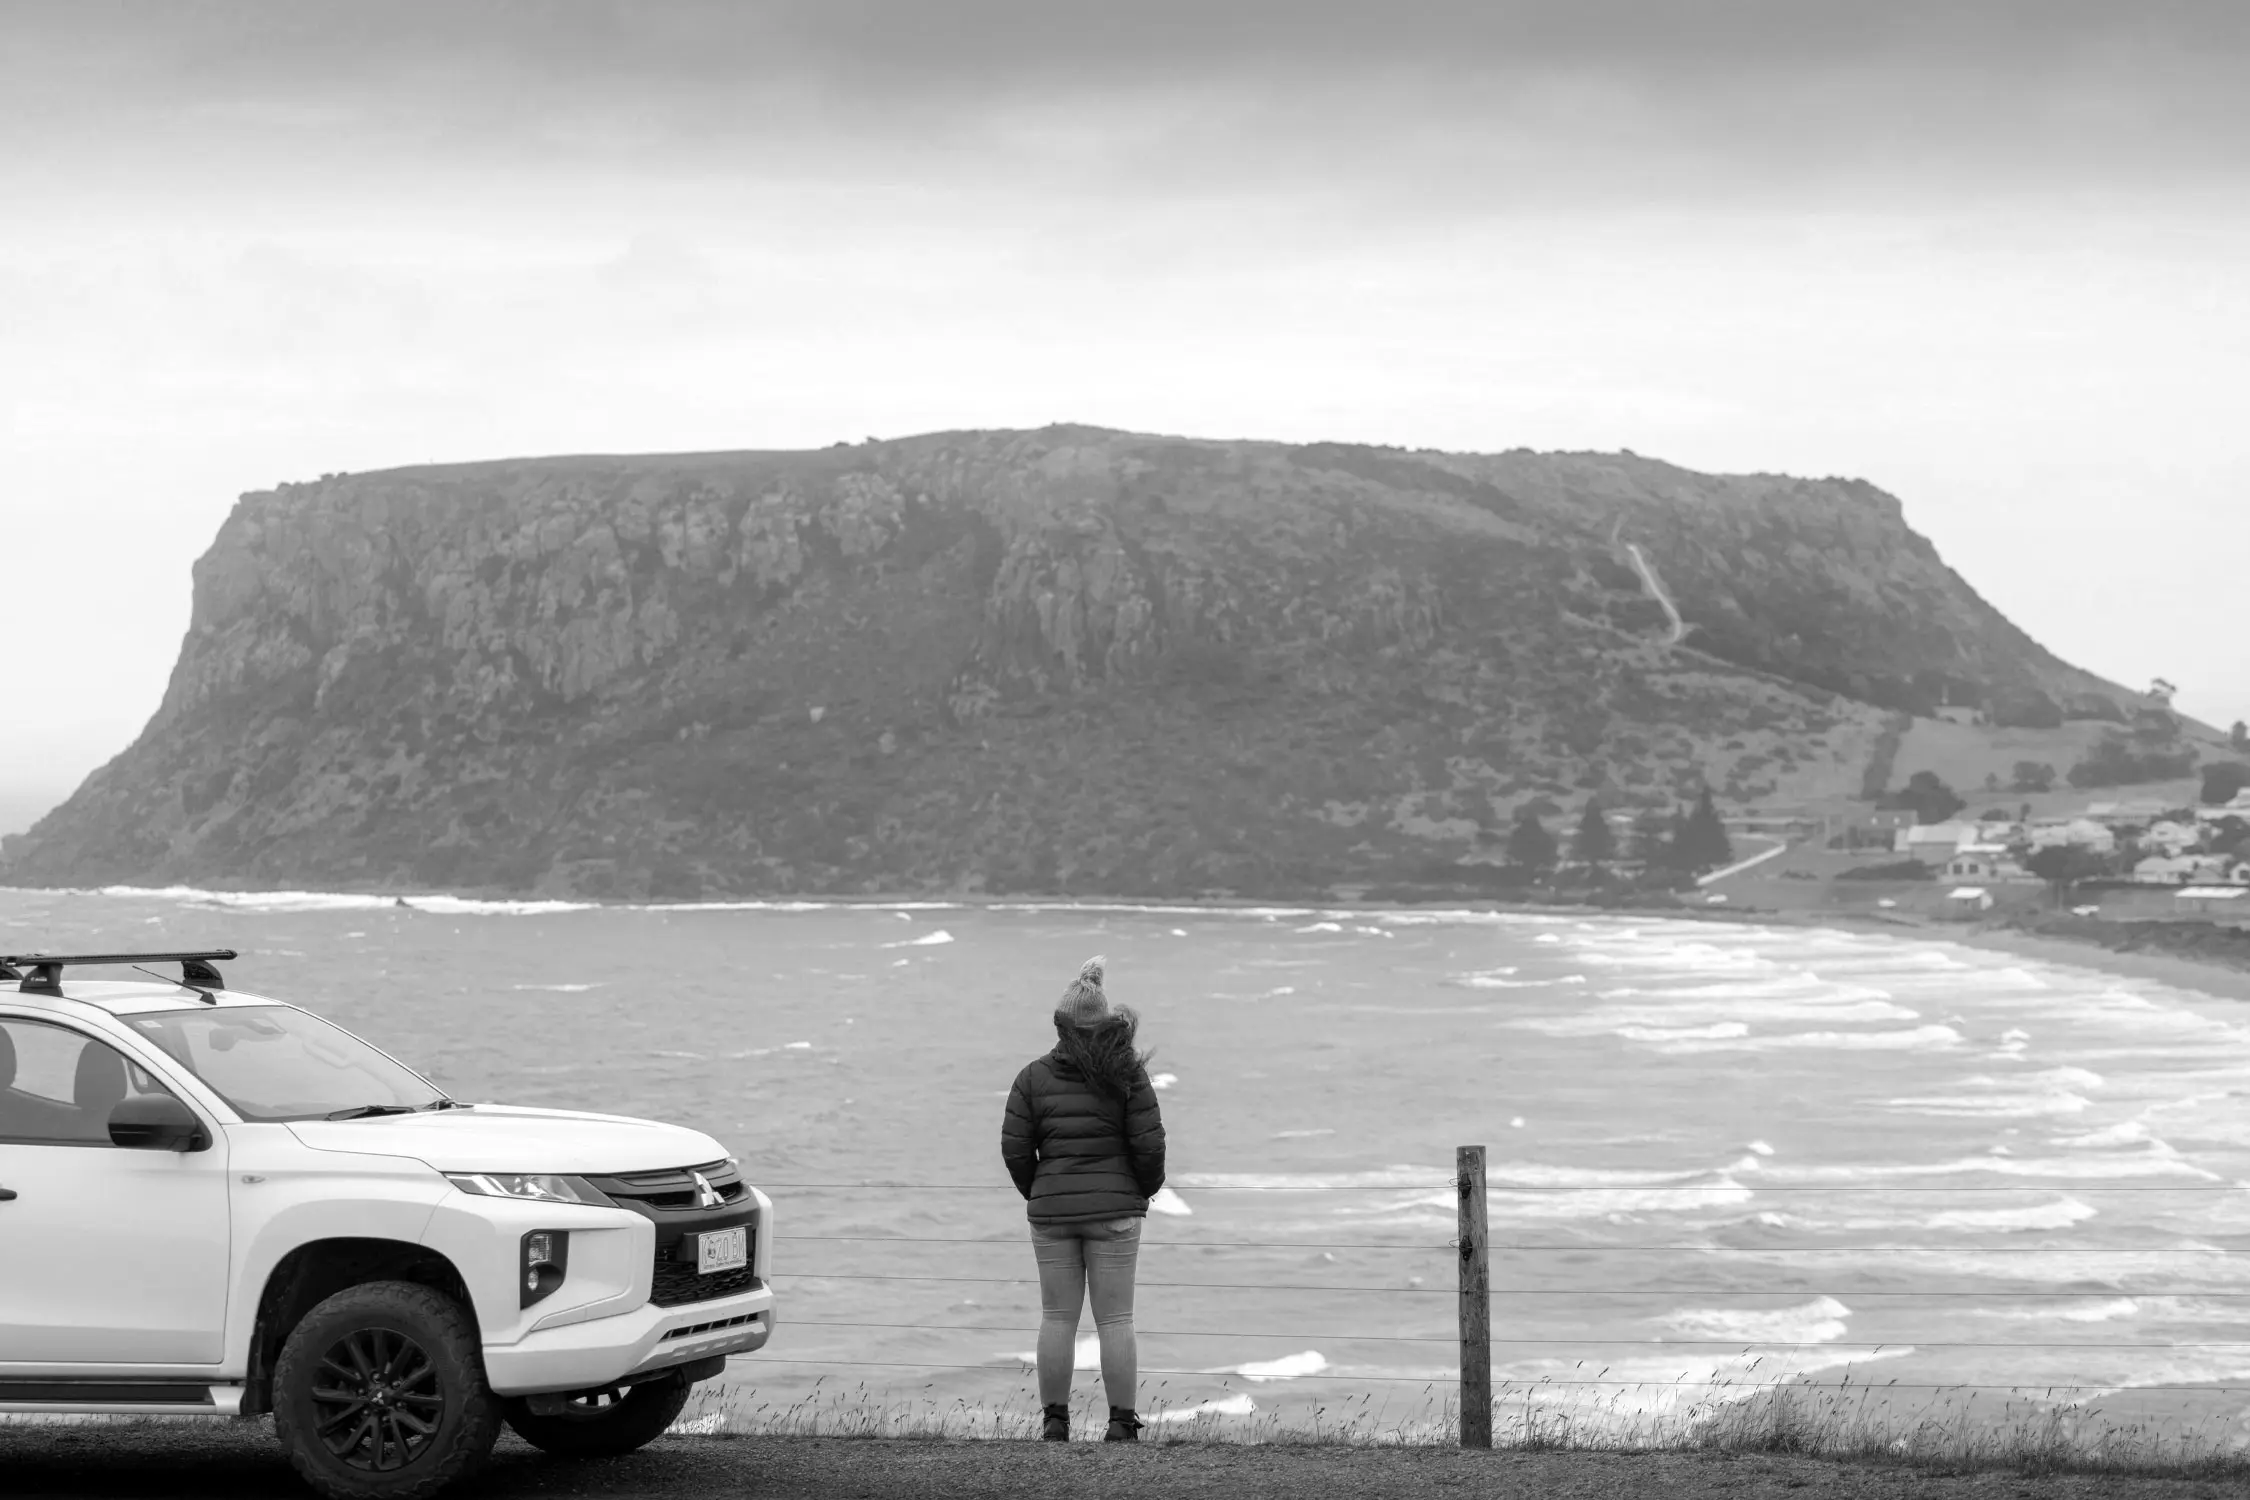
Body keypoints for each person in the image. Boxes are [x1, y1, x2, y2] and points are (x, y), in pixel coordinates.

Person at [1000, 955, 1166, 1442]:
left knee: (1056, 1318)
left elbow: (1014, 1150)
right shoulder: (1128, 1075)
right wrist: (1141, 1191)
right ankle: (1120, 1425)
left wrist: (1042, 1192)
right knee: (1116, 1319)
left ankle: (1055, 1422)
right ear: (1105, 1025)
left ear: (1060, 1025)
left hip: (1052, 1213)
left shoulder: (1031, 1078)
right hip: (1116, 1213)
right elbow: (1150, 1145)